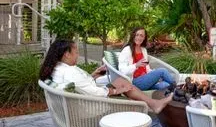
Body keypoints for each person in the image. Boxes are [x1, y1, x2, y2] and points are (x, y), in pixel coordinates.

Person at [39, 40, 173, 115]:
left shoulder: (58, 68)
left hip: (83, 100)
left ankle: (154, 104)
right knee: (134, 102)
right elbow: (93, 92)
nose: (77, 55)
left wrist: (94, 75)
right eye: (76, 52)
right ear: (66, 55)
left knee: (120, 82)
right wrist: (115, 92)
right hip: (90, 107)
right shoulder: (69, 72)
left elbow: (78, 85)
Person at [118, 27, 176, 92]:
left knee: (166, 85)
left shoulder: (143, 50)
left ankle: (177, 92)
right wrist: (136, 65)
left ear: (144, 38)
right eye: (137, 35)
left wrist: (155, 77)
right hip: (135, 82)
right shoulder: (127, 50)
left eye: (141, 36)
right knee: (162, 71)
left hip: (146, 81)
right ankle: (180, 88)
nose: (139, 37)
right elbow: (122, 71)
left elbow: (147, 69)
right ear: (133, 36)